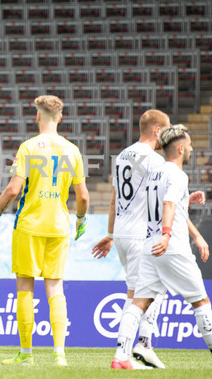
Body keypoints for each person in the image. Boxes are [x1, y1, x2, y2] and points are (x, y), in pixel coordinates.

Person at [0, 95, 90, 366]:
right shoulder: (72, 150)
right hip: (59, 226)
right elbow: (83, 196)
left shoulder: (28, 147)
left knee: (25, 286)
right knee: (55, 287)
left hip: (29, 225)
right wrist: (81, 220)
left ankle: (26, 354)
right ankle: (59, 354)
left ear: (37, 116)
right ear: (60, 117)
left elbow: (13, 189)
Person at [111, 125, 211, 369]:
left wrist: (186, 200)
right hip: (172, 247)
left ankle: (121, 356)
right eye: (189, 146)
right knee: (201, 301)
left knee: (139, 302)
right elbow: (167, 205)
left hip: (149, 247)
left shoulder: (154, 173)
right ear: (180, 148)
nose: (191, 149)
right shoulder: (178, 175)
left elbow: (162, 203)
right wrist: (166, 235)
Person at [91, 110, 174, 368]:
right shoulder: (155, 160)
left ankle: (137, 348)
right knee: (146, 293)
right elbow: (163, 200)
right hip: (140, 234)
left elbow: (114, 199)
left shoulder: (122, 156)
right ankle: (129, 352)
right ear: (157, 130)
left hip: (122, 234)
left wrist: (110, 235)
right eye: (167, 130)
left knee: (140, 291)